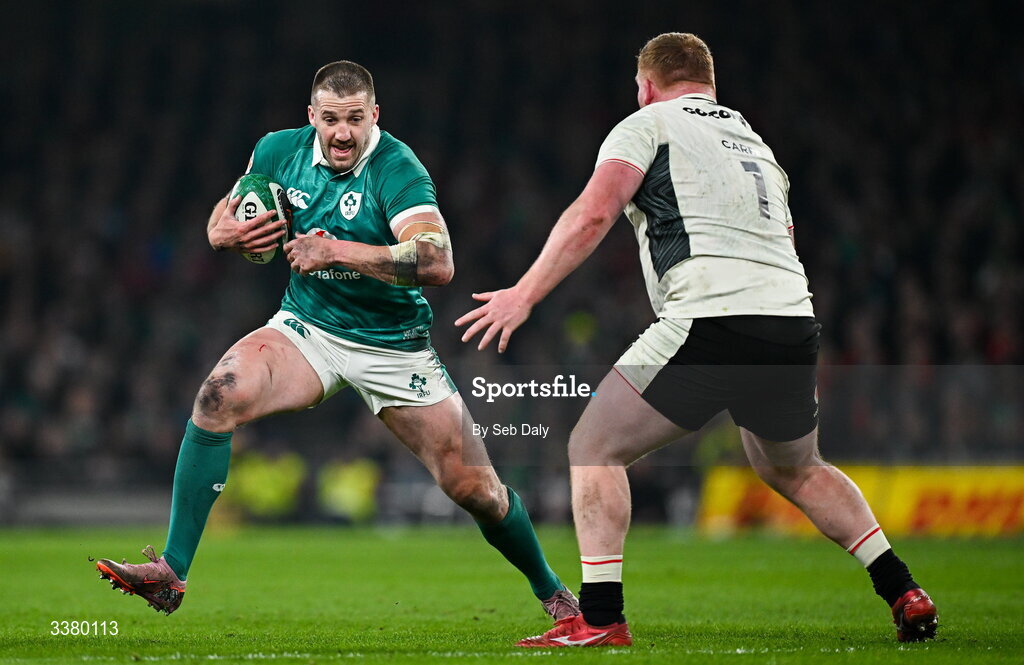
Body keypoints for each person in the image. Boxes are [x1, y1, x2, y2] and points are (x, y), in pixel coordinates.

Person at [457, 33, 938, 647]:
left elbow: (595, 212)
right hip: (791, 320)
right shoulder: (757, 144)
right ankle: (903, 589)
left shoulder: (647, 123)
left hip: (712, 318)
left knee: (593, 446)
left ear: (647, 84)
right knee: (794, 466)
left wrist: (524, 293)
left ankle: (602, 618)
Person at [95, 60, 579, 629]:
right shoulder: (278, 151)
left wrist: (338, 251)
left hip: (393, 346)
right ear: (312, 117)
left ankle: (553, 592)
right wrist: (218, 232)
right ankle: (172, 572)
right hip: (308, 329)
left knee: (476, 490)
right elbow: (230, 209)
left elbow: (437, 260)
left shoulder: (397, 170)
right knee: (218, 394)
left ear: (374, 115)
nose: (343, 132)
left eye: (354, 118)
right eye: (331, 119)